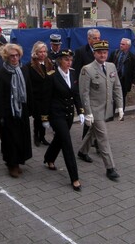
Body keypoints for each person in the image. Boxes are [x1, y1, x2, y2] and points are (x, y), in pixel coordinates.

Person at [77, 40, 124, 181]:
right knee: (103, 137)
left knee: (94, 131)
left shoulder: (111, 66)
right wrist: (88, 112)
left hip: (106, 109)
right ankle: (110, 168)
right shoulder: (87, 69)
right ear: (94, 53)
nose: (103, 55)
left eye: (105, 52)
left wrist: (120, 106)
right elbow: (84, 93)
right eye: (100, 52)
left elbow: (117, 87)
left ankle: (82, 151)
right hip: (94, 110)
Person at [43, 49, 84, 191]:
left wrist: (81, 111)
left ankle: (49, 157)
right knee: (67, 142)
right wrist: (44, 118)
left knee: (60, 139)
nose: (69, 62)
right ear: (60, 60)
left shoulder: (72, 73)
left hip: (68, 115)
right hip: (56, 114)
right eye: (66, 59)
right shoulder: (51, 76)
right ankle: (75, 178)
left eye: (70, 60)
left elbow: (76, 94)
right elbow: (45, 98)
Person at [0, 43, 33, 178]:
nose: (15, 58)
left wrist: (30, 108)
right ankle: (12, 164)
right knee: (10, 138)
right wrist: (0, 114)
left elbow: (28, 89)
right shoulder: (1, 73)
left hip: (21, 109)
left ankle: (18, 160)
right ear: (6, 56)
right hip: (8, 111)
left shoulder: (24, 69)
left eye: (17, 55)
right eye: (12, 56)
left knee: (21, 136)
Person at [24, 41, 54, 147]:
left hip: (47, 96)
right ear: (35, 53)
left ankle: (42, 136)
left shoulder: (49, 63)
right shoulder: (30, 66)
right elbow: (28, 83)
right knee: (38, 118)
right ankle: (36, 136)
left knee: (45, 117)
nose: (43, 54)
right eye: (40, 52)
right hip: (36, 97)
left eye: (44, 51)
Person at [73, 28, 101, 140]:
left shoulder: (101, 50)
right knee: (89, 116)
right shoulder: (81, 51)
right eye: (95, 38)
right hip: (87, 89)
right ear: (88, 39)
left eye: (99, 38)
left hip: (99, 89)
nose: (97, 40)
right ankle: (86, 142)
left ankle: (97, 140)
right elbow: (76, 70)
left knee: (99, 117)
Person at [108, 38, 135, 110]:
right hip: (114, 78)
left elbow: (134, 70)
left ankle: (121, 111)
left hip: (125, 79)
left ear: (128, 46)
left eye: (123, 44)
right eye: (120, 43)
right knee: (113, 95)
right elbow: (108, 64)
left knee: (122, 96)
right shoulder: (115, 53)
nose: (121, 45)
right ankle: (111, 112)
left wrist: (134, 81)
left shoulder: (132, 57)